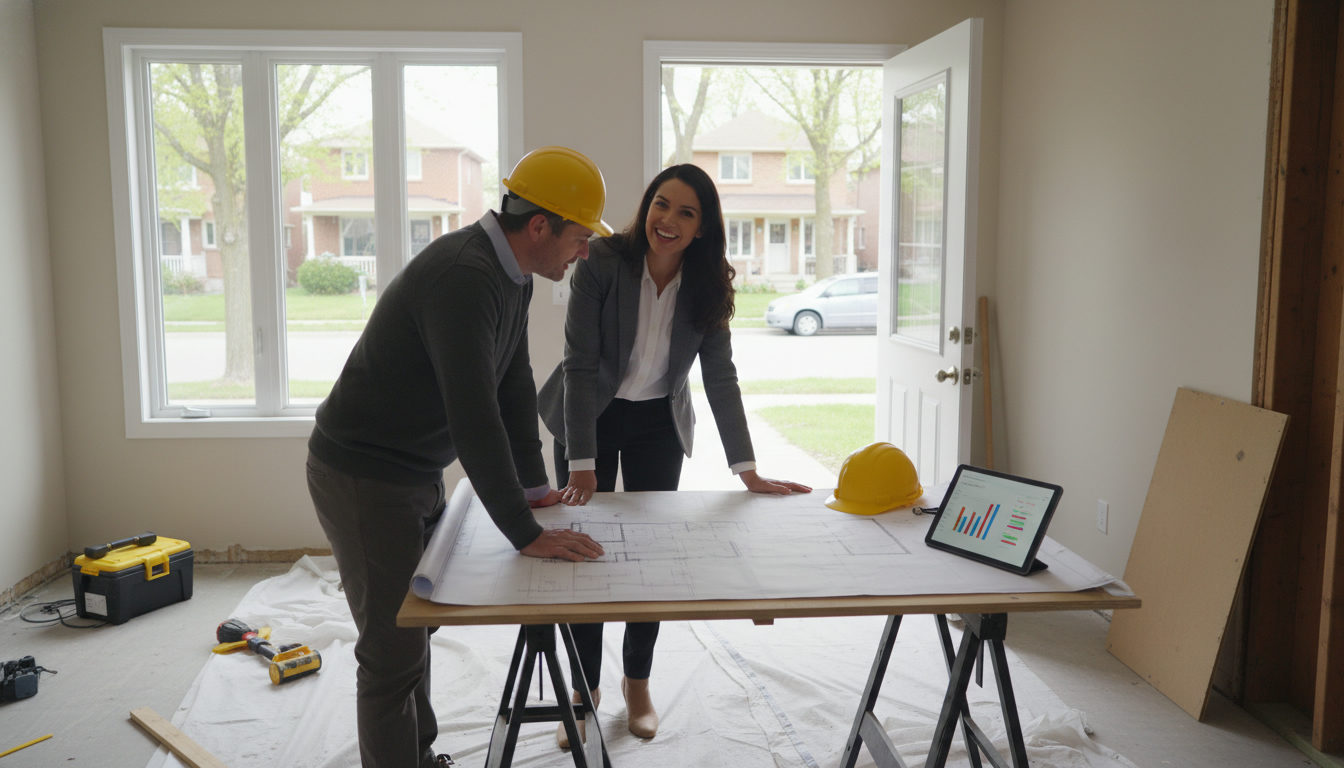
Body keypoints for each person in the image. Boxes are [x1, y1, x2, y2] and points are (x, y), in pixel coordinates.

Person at [307, 147, 611, 768]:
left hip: (412, 469)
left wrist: (531, 490)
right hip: (364, 475)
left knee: (415, 629)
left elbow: (512, 383)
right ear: (538, 226)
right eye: (579, 238)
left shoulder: (513, 275)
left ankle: (419, 757)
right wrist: (524, 533)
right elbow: (474, 417)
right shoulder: (465, 277)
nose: (583, 253)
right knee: (391, 649)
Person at [538, 163, 812, 747]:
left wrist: (749, 470)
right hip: (586, 413)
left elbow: (720, 377)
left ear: (702, 228)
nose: (668, 219)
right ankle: (585, 691)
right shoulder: (603, 260)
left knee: (650, 560)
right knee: (581, 551)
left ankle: (637, 682)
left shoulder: (709, 282)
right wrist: (580, 459)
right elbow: (581, 364)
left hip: (657, 421)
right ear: (648, 206)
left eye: (686, 212)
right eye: (662, 204)